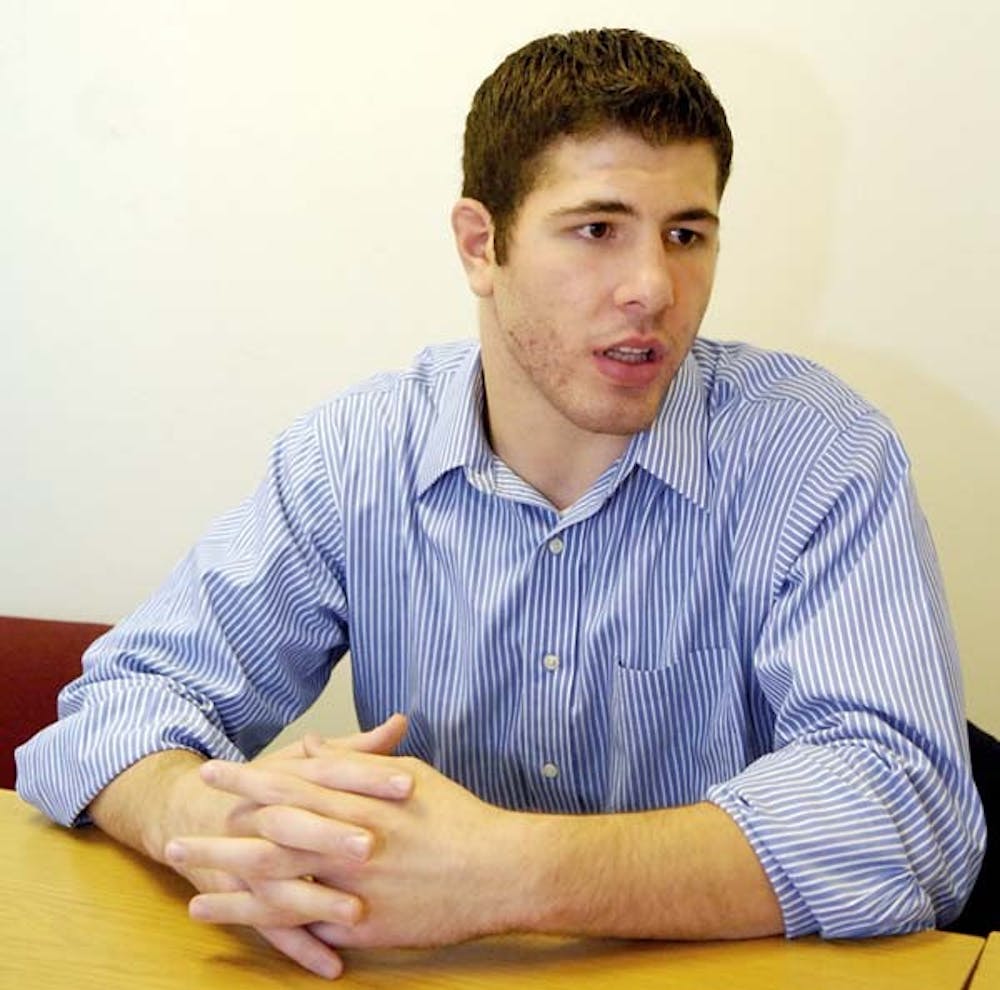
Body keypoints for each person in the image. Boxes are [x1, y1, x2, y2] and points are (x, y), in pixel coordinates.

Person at [16, 27, 985, 981]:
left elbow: (909, 813)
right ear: (482, 246)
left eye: (686, 235)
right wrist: (221, 826)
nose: (653, 287)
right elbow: (113, 711)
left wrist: (511, 874)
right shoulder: (355, 454)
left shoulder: (819, 454)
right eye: (597, 229)